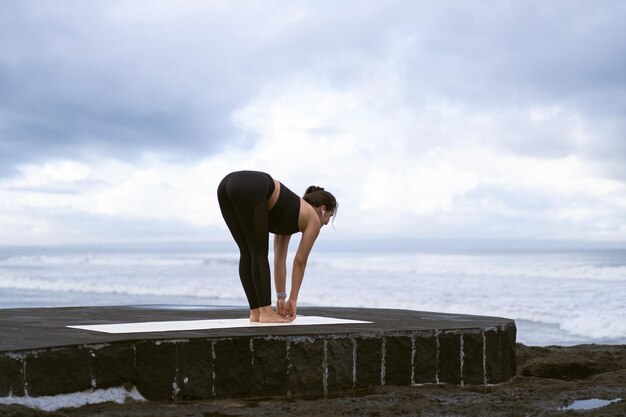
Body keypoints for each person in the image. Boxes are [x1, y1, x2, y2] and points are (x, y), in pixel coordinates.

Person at [217, 170, 337, 323]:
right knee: (258, 253)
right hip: (253, 185)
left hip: (225, 185)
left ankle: (256, 312)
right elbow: (300, 262)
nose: (327, 222)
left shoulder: (291, 210)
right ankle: (265, 312)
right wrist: (293, 299)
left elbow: (279, 261)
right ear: (322, 209)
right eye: (330, 216)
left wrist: (281, 297)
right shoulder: (313, 219)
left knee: (248, 253)